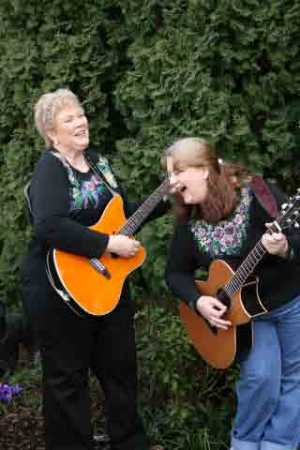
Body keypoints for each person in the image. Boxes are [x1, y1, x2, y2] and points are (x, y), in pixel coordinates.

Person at [21, 88, 166, 450]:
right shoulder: (50, 169)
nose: (80, 121)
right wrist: (105, 245)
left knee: (121, 371)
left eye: (81, 114)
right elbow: (49, 225)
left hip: (107, 286)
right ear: (51, 133)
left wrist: (167, 196)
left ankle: (130, 444)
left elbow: (122, 215)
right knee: (67, 382)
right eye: (69, 118)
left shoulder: (99, 163)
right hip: (58, 292)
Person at [164, 137, 300, 450]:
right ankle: (245, 443)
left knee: (295, 378)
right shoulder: (189, 220)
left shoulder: (258, 194)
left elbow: (296, 239)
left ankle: (280, 444)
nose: (171, 183)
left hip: (289, 299)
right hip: (247, 314)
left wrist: (284, 248)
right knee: (261, 378)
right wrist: (198, 301)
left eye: (177, 173)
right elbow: (175, 273)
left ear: (203, 170)